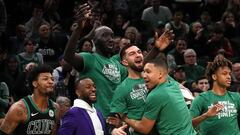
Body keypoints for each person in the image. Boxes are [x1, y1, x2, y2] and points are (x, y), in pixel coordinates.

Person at [123, 57, 196, 135]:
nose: (144, 76)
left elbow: (144, 129)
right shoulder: (173, 84)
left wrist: (125, 117)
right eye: (144, 72)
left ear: (160, 74)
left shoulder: (156, 95)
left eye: (148, 72)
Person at [0, 65, 60, 135]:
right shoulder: (19, 108)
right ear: (35, 84)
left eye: (52, 79)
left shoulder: (56, 108)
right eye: (45, 79)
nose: (51, 82)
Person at [58, 77, 127, 135]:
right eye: (88, 87)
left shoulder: (98, 112)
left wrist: (113, 132)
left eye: (94, 87)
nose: (93, 89)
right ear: (78, 92)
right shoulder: (73, 113)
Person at [190, 56, 240, 135]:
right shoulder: (201, 98)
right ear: (214, 76)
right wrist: (206, 115)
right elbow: (187, 125)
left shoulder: (237, 97)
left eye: (229, 74)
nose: (229, 77)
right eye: (224, 73)